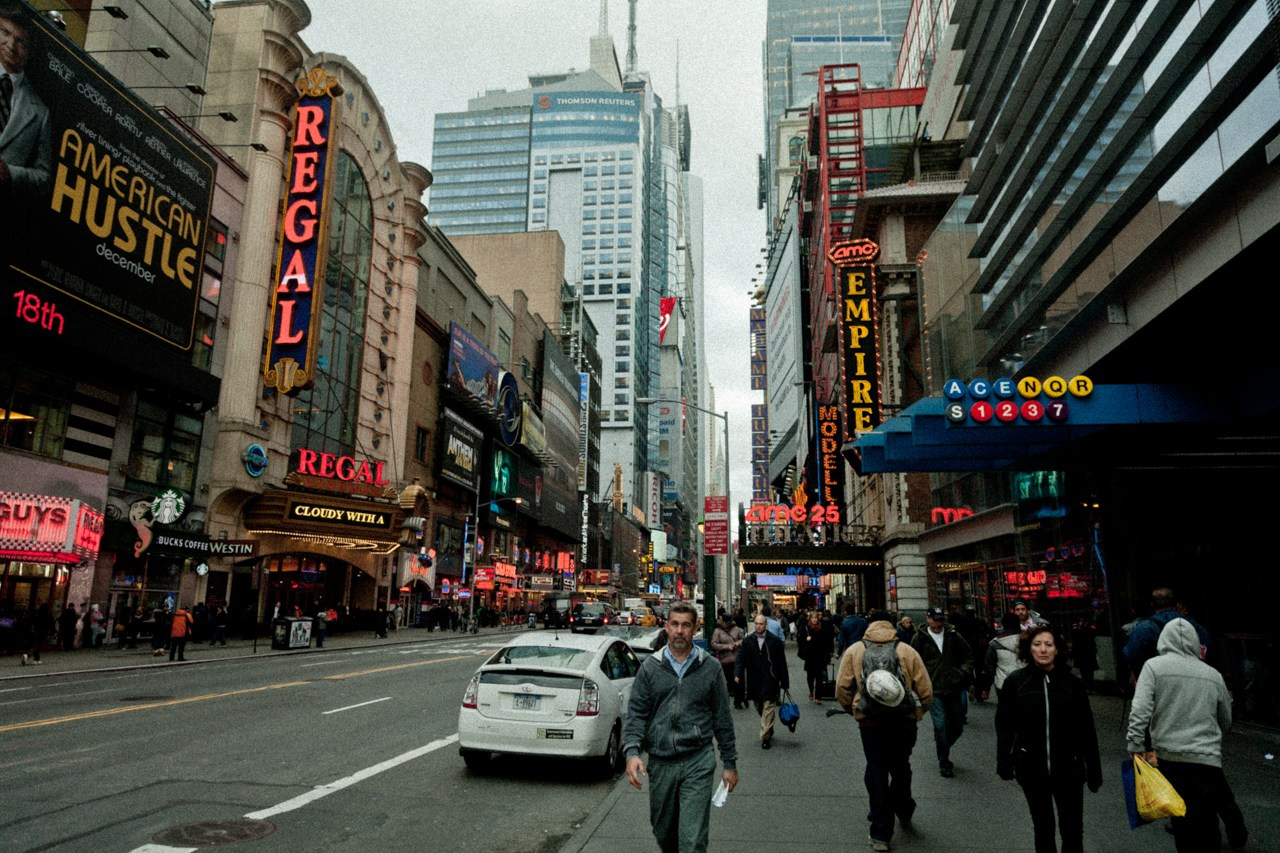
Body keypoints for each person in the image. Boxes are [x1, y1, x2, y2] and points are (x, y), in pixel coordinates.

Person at [624, 602, 737, 853]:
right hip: (661, 762)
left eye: (686, 625)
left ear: (695, 629)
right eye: (674, 624)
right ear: (666, 627)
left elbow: (722, 718)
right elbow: (636, 715)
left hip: (698, 760)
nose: (679, 630)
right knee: (664, 832)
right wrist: (632, 753)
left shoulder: (710, 668)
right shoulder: (650, 668)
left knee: (692, 840)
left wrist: (729, 763)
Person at [1125, 618, 1246, 851]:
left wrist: (1135, 743)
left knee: (1181, 818)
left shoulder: (1153, 667)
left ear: (1163, 640)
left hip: (1170, 757)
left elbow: (1140, 709)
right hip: (1206, 758)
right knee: (1208, 817)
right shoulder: (1213, 674)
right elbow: (1226, 719)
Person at [996, 625, 1102, 853]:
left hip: (1069, 768)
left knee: (1072, 829)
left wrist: (1094, 769)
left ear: (1057, 649)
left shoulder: (1072, 684)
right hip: (1031, 768)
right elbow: (1004, 726)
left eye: (1048, 644)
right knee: (1043, 827)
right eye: (1037, 645)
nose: (1043, 650)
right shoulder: (1016, 682)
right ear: (1029, 649)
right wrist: (1004, 761)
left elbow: (1086, 729)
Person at [836, 609, 933, 852]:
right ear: (892, 625)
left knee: (876, 769)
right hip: (904, 722)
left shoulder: (856, 650)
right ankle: (904, 806)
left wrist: (855, 710)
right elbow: (925, 690)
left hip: (870, 723)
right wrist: (917, 712)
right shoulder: (907, 650)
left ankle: (880, 832)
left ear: (869, 625)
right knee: (901, 765)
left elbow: (842, 688)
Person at [911, 605, 973, 777]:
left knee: (957, 725)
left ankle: (943, 742)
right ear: (928, 619)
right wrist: (919, 683)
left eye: (941, 620)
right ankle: (944, 761)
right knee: (940, 725)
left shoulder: (953, 635)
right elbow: (912, 661)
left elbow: (968, 655)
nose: (938, 624)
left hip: (954, 686)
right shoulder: (919, 638)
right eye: (935, 620)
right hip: (933, 689)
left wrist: (962, 672)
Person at [0, 2, 51, 209]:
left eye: (20, 41)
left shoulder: (40, 112)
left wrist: (11, 173)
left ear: (29, 51)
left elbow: (44, 177)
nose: (10, 45)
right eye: (5, 32)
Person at [1123, 587, 1212, 676]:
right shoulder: (1193, 625)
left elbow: (1131, 656)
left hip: (1159, 678)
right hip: (1191, 677)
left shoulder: (1144, 629)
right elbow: (1208, 651)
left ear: (1152, 605)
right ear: (1176, 604)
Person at [734, 612, 790, 749]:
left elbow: (781, 662)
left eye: (761, 624)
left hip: (770, 678)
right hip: (754, 679)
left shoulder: (774, 641)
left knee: (768, 706)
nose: (758, 626)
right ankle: (769, 727)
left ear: (766, 625)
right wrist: (737, 674)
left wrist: (784, 682)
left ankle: (765, 737)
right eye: (756, 624)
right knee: (759, 705)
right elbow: (740, 659)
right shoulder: (748, 641)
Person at [979, 613, 1026, 701]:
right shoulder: (1027, 641)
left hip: (1003, 683)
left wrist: (986, 688)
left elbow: (989, 668)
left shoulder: (995, 643)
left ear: (1003, 625)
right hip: (1025, 683)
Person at [797, 609, 834, 704]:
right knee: (810, 677)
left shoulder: (823, 628)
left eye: (816, 618)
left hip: (820, 656)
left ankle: (818, 697)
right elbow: (800, 641)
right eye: (812, 618)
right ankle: (811, 690)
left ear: (818, 618)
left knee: (819, 677)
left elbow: (827, 642)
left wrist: (828, 656)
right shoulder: (806, 628)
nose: (814, 619)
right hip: (810, 656)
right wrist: (806, 639)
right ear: (810, 619)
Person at [711, 612, 745, 709]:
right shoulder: (717, 631)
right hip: (725, 660)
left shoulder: (737, 629)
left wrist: (737, 643)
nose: (726, 624)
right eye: (725, 622)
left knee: (738, 681)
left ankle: (738, 701)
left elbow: (744, 640)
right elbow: (714, 644)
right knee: (725, 682)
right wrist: (727, 647)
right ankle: (724, 702)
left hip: (736, 660)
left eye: (728, 622)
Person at [1069, 616, 1097, 691]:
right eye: (1080, 621)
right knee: (1083, 670)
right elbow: (1075, 644)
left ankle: (1090, 685)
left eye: (1082, 621)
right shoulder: (1076, 631)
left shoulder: (1088, 631)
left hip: (1087, 654)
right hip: (1081, 654)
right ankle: (1087, 685)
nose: (1081, 623)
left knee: (1089, 671)